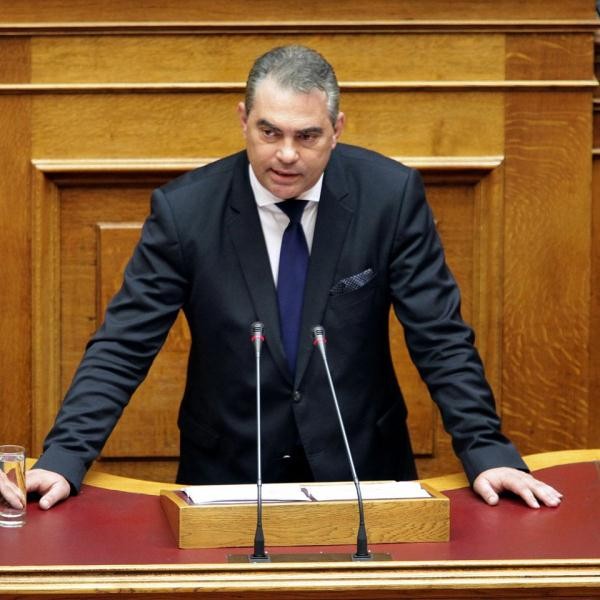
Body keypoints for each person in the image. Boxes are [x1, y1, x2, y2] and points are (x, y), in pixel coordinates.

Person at [27, 45, 562, 512]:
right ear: (243, 120)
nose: (286, 154)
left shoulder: (388, 198)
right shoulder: (185, 212)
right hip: (229, 475)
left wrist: (485, 448)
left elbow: (439, 336)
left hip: (363, 467)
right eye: (269, 132)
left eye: (307, 136)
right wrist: (65, 456)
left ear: (337, 129)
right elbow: (124, 343)